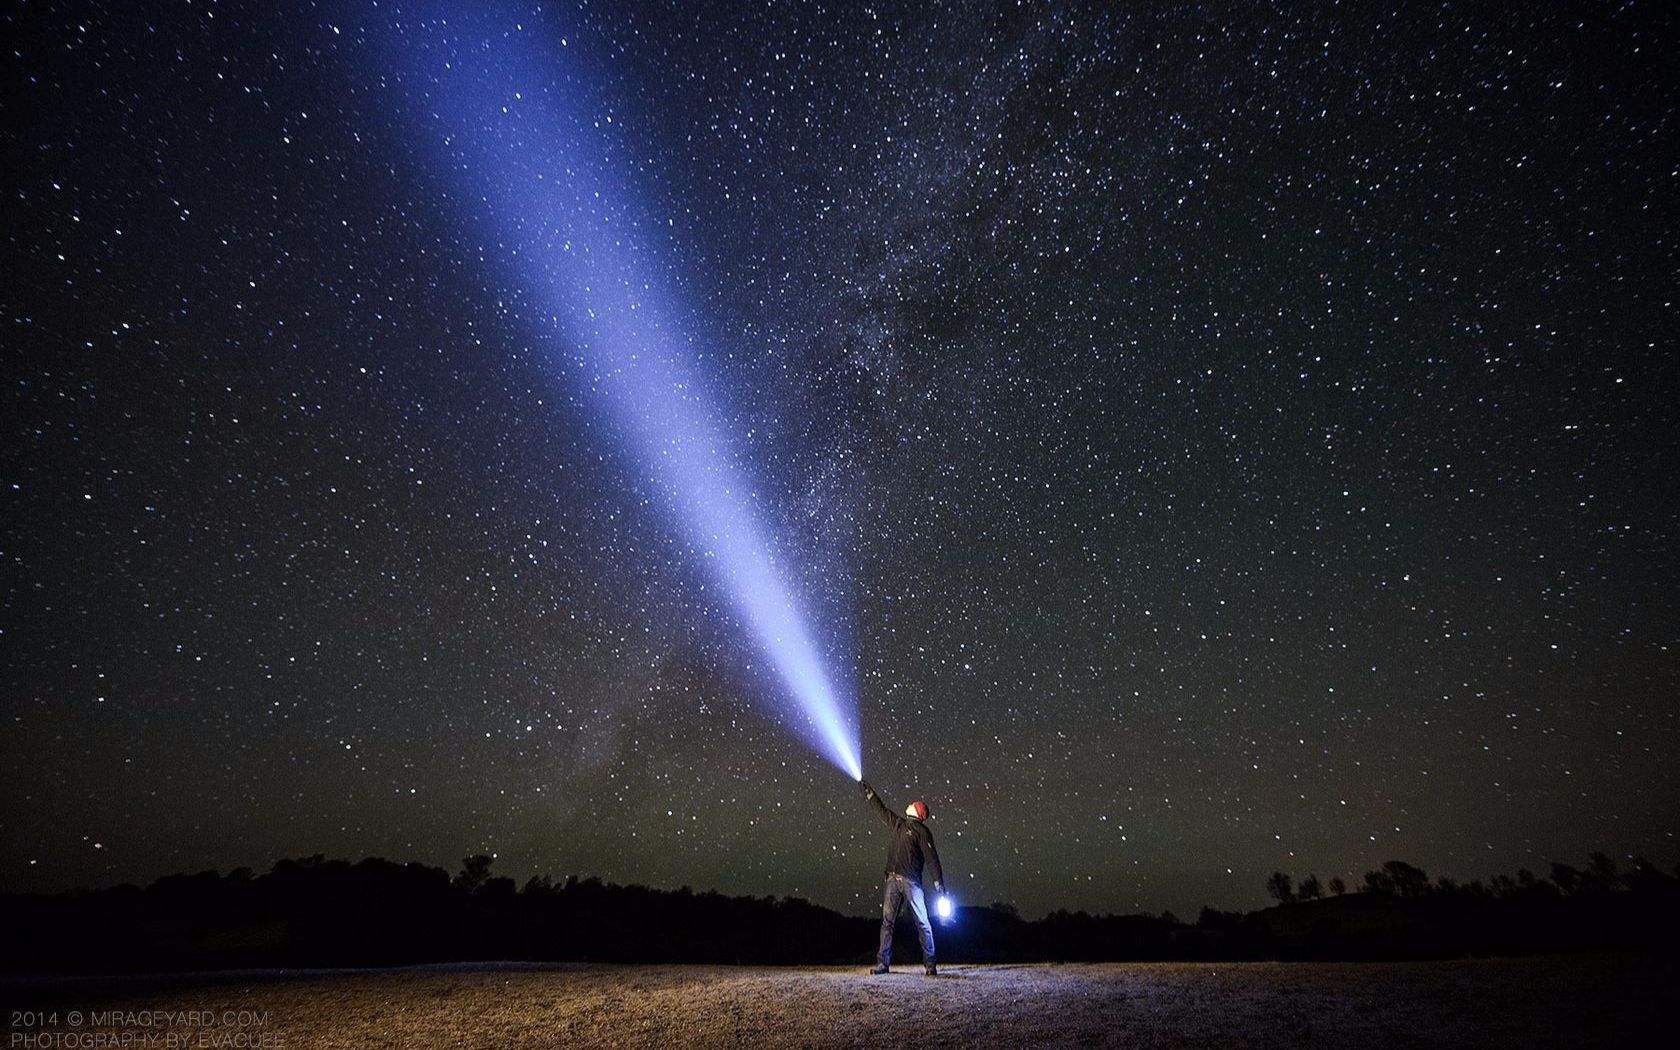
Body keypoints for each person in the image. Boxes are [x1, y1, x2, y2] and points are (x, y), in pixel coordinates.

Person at [858, 778, 944, 976]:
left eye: (912, 804)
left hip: (911, 882)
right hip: (892, 879)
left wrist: (939, 882)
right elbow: (882, 811)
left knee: (922, 922)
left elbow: (932, 858)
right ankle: (883, 965)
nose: (909, 804)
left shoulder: (922, 831)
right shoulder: (898, 824)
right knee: (887, 922)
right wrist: (870, 794)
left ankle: (930, 965)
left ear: (917, 811)